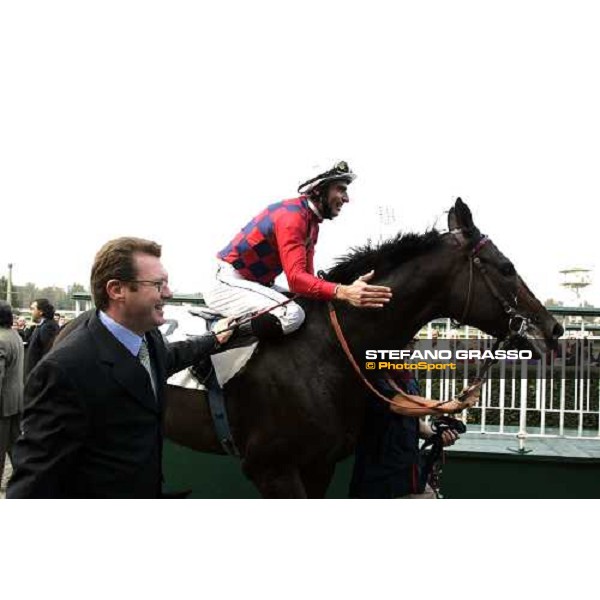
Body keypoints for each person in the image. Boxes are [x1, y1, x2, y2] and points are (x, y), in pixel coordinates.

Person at [8, 237, 232, 499]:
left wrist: (214, 339)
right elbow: (34, 480)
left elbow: (169, 358)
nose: (169, 293)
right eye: (158, 284)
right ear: (116, 290)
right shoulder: (65, 370)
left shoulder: (149, 338)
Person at [203, 161, 393, 339]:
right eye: (341, 189)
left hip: (253, 284)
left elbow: (305, 282)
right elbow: (295, 279)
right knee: (292, 314)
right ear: (319, 190)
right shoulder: (292, 217)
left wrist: (347, 289)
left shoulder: (311, 222)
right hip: (226, 282)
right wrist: (343, 291)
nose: (346, 198)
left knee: (307, 306)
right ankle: (218, 333)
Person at [0, 302, 24, 490]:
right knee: (16, 448)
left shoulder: (0, 339)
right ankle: (24, 481)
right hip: (16, 401)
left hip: (2, 406)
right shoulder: (14, 335)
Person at [24, 298, 60, 378]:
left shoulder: (48, 327)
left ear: (41, 312)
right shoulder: (41, 326)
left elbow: (48, 353)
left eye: (33, 309)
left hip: (39, 376)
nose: (31, 312)